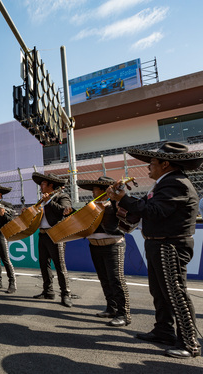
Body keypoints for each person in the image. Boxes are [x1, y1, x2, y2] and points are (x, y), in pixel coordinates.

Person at [107, 142, 202, 359]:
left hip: (170, 245)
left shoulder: (176, 184)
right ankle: (164, 331)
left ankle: (189, 343)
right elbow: (136, 210)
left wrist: (123, 198)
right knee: (159, 292)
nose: (149, 167)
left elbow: (154, 211)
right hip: (159, 244)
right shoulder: (165, 183)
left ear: (165, 164)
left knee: (175, 293)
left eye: (152, 163)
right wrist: (118, 199)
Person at [77, 176, 130, 327]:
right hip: (95, 245)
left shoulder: (115, 202)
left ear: (103, 190)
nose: (93, 191)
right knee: (104, 278)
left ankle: (123, 314)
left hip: (113, 244)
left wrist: (114, 197)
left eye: (95, 189)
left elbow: (126, 216)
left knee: (116, 279)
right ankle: (111, 308)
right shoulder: (90, 205)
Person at [31, 172, 73, 307]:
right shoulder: (42, 199)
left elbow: (65, 210)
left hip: (56, 235)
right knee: (44, 264)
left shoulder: (62, 196)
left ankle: (66, 294)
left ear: (51, 185)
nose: (40, 186)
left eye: (43, 184)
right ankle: (48, 291)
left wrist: (48, 202)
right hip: (42, 235)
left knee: (60, 266)